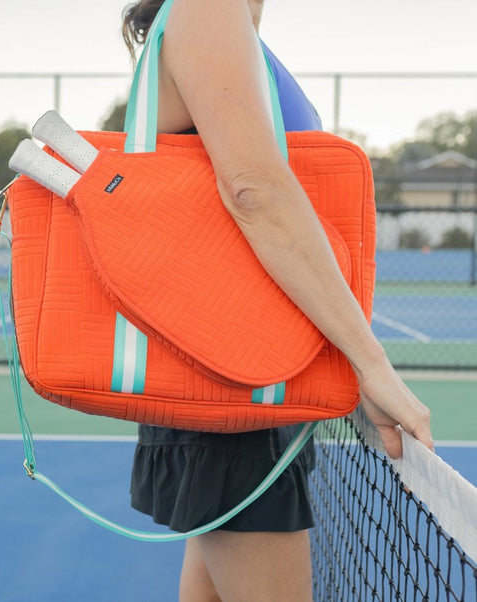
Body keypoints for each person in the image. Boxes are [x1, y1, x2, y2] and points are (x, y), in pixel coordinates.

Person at [122, 1, 434, 600]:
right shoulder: (207, 8)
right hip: (235, 382)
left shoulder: (230, 23)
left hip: (248, 378)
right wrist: (370, 363)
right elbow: (252, 189)